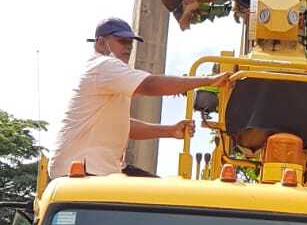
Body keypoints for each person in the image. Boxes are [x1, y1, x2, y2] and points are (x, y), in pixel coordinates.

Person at [48, 17, 231, 179]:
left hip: (96, 170)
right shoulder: (104, 65)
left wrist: (169, 130)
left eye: (130, 42)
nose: (128, 47)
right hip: (81, 171)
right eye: (122, 41)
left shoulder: (110, 76)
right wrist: (208, 81)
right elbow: (150, 85)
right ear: (100, 43)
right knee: (160, 201)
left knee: (162, 196)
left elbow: (123, 126)